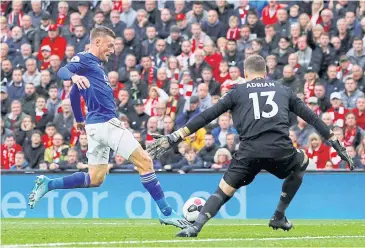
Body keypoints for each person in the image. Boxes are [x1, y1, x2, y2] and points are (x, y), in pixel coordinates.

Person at [147, 55, 354, 237]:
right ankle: (278, 215)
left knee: (222, 191)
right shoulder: (283, 89)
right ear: (266, 72)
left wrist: (176, 136)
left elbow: (207, 115)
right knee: (302, 161)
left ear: (245, 73)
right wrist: (334, 140)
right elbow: (311, 116)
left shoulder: (236, 92)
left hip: (249, 153)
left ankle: (196, 227)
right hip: (280, 150)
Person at [28, 26, 189, 229]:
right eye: (110, 45)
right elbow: (63, 70)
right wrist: (73, 76)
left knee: (95, 178)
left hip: (95, 127)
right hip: (106, 124)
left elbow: (74, 95)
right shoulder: (85, 58)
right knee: (145, 161)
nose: (113, 49)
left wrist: (78, 119)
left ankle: (48, 184)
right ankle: (166, 212)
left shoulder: (95, 67)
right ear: (97, 42)